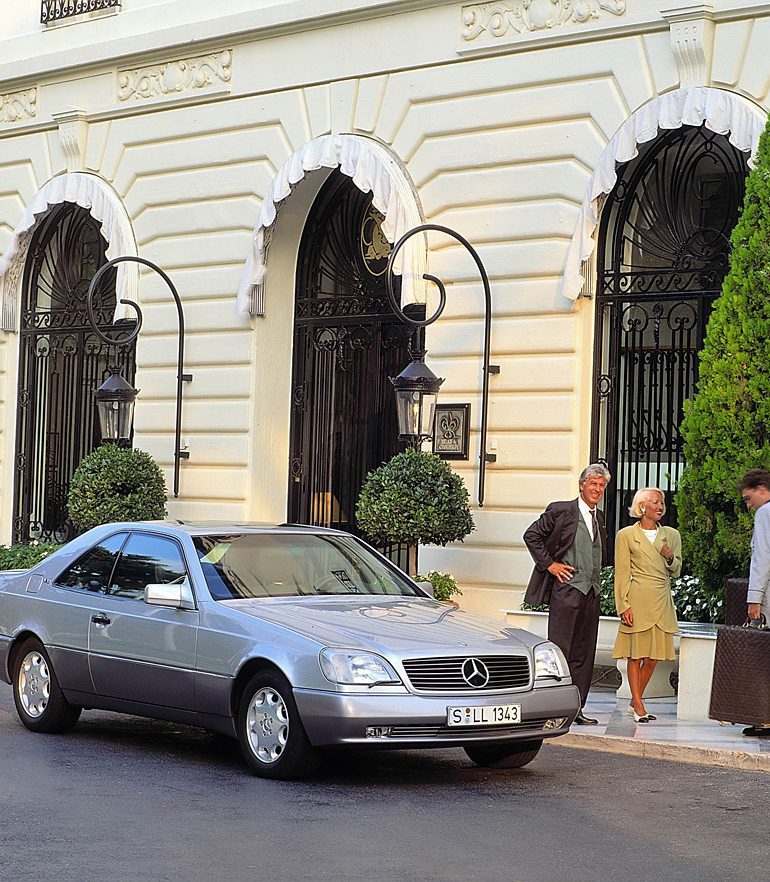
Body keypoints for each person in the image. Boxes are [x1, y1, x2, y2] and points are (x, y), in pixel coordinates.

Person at [523, 464, 610, 725]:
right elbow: (532, 535)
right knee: (561, 650)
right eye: (593, 484)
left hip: (591, 591)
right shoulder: (562, 511)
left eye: (601, 486)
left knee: (584, 653)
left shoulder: (599, 517)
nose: (597, 489)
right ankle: (554, 707)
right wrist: (550, 565)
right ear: (581, 485)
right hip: (567, 591)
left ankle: (576, 708)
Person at [612, 488, 680, 723]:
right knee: (636, 655)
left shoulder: (671, 535)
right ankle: (639, 704)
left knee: (653, 657)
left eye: (662, 502)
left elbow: (677, 569)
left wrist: (669, 556)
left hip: (661, 598)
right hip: (638, 598)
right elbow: (621, 573)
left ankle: (635, 698)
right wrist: (623, 606)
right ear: (642, 507)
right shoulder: (626, 535)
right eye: (655, 502)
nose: (660, 506)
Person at [738, 468, 770, 737]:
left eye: (749, 498)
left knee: (763, 661)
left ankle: (765, 720)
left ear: (761, 489)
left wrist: (754, 598)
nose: (749, 505)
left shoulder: (765, 513)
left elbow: (762, 557)